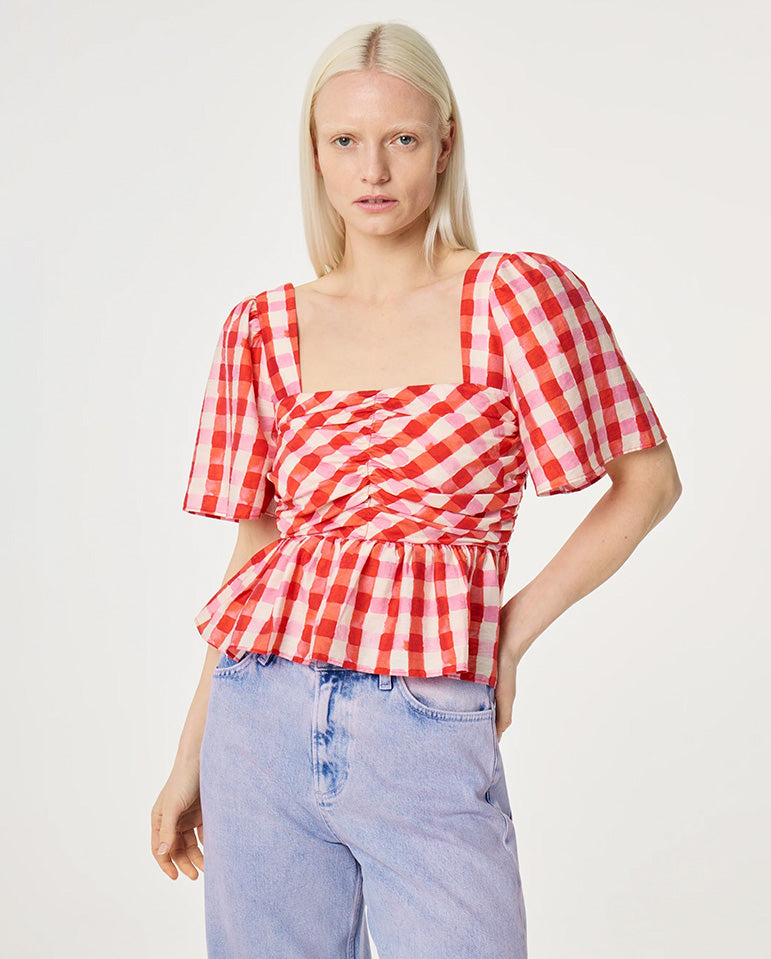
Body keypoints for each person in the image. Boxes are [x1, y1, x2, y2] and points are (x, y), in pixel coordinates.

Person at [151, 20, 682, 959]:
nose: (373, 170)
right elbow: (256, 551)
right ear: (314, 154)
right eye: (344, 140)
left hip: (425, 718)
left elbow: (648, 482)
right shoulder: (263, 328)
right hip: (258, 717)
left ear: (444, 143)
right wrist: (188, 753)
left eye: (400, 138)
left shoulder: (515, 297)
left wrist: (505, 635)